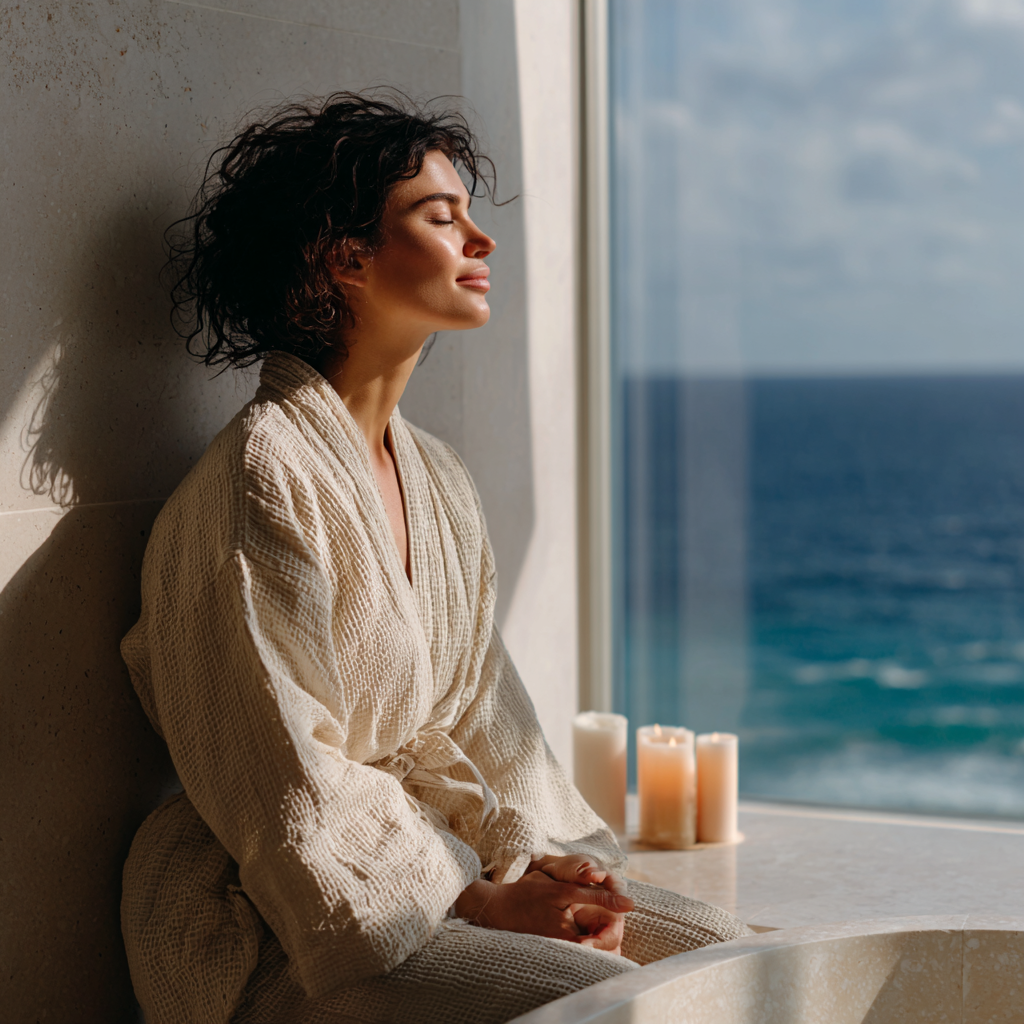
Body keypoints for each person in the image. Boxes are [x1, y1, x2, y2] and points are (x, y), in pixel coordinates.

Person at [120, 92, 751, 1024]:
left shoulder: (439, 478)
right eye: (440, 217)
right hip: (285, 919)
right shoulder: (258, 481)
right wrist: (486, 900)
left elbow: (487, 715)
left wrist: (546, 864)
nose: (480, 242)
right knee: (622, 1008)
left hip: (436, 864)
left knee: (736, 964)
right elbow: (283, 782)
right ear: (344, 259)